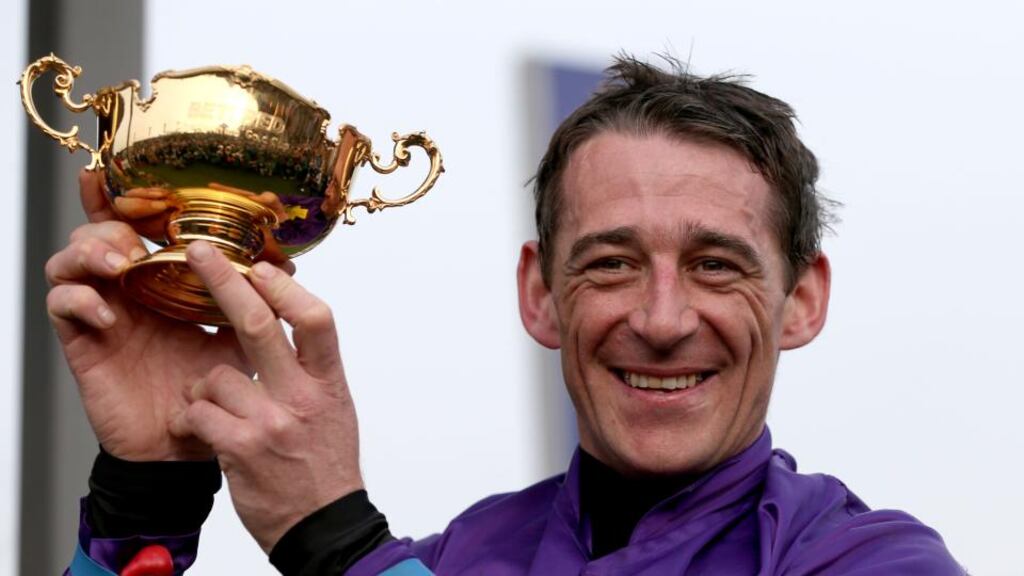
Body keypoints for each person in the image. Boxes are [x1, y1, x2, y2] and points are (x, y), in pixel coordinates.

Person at [51, 56, 963, 575]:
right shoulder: (463, 556)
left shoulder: (874, 561)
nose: (661, 319)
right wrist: (148, 494)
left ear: (802, 300)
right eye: (611, 263)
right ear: (540, 294)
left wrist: (333, 540)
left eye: (716, 267)